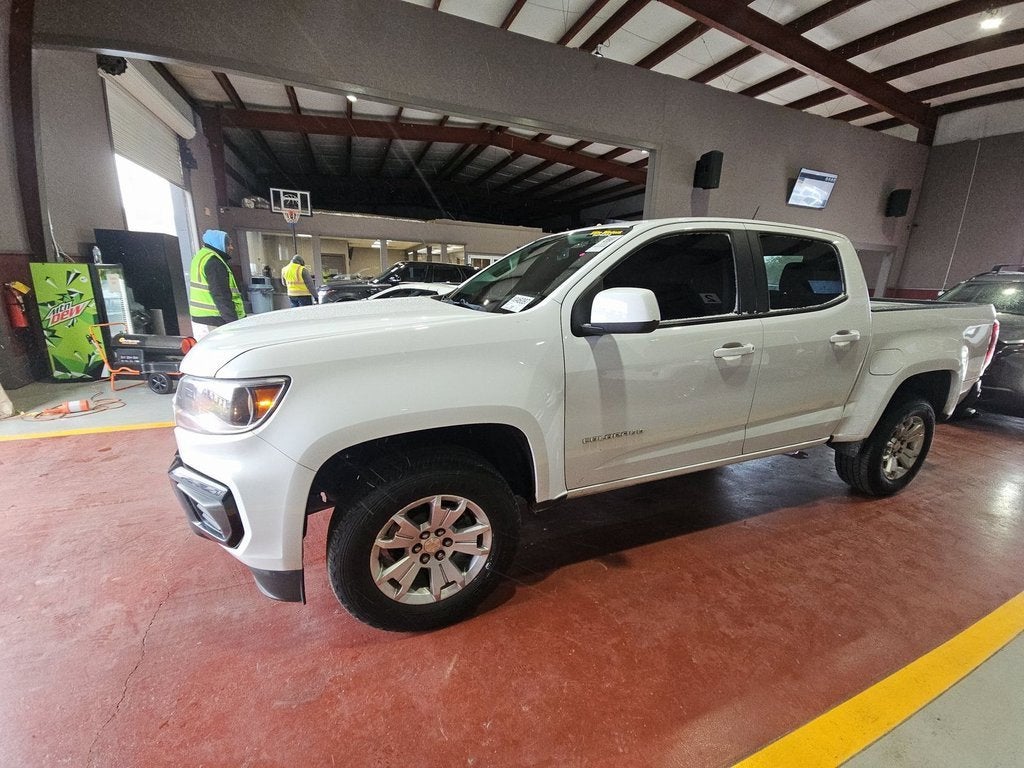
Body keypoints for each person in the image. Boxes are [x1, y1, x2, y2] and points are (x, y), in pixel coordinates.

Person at [188, 230, 245, 340]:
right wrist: (233, 323)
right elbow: (221, 295)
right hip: (215, 320)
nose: (231, 248)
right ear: (218, 243)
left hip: (203, 318)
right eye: (228, 244)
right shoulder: (214, 262)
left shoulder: (201, 257)